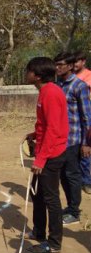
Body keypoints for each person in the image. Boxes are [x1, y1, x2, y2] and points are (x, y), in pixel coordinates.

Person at [24, 57, 68, 253]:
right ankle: (39, 231)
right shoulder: (45, 91)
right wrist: (34, 134)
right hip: (45, 150)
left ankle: (54, 242)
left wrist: (41, 159)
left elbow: (54, 129)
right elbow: (46, 124)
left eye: (29, 71)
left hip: (52, 154)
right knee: (37, 193)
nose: (27, 74)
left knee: (51, 199)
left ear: (38, 75)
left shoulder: (50, 93)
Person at [54, 52, 91, 224]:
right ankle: (69, 207)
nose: (57, 67)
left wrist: (86, 143)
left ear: (70, 66)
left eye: (60, 64)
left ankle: (74, 212)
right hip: (60, 139)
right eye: (56, 64)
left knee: (72, 175)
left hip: (74, 139)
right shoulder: (58, 84)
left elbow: (87, 117)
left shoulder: (79, 86)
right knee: (63, 175)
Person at [74, 51, 91, 194]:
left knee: (85, 149)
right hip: (74, 117)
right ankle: (76, 180)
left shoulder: (88, 77)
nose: (74, 64)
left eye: (77, 61)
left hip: (86, 115)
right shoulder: (71, 78)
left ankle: (86, 181)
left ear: (83, 62)